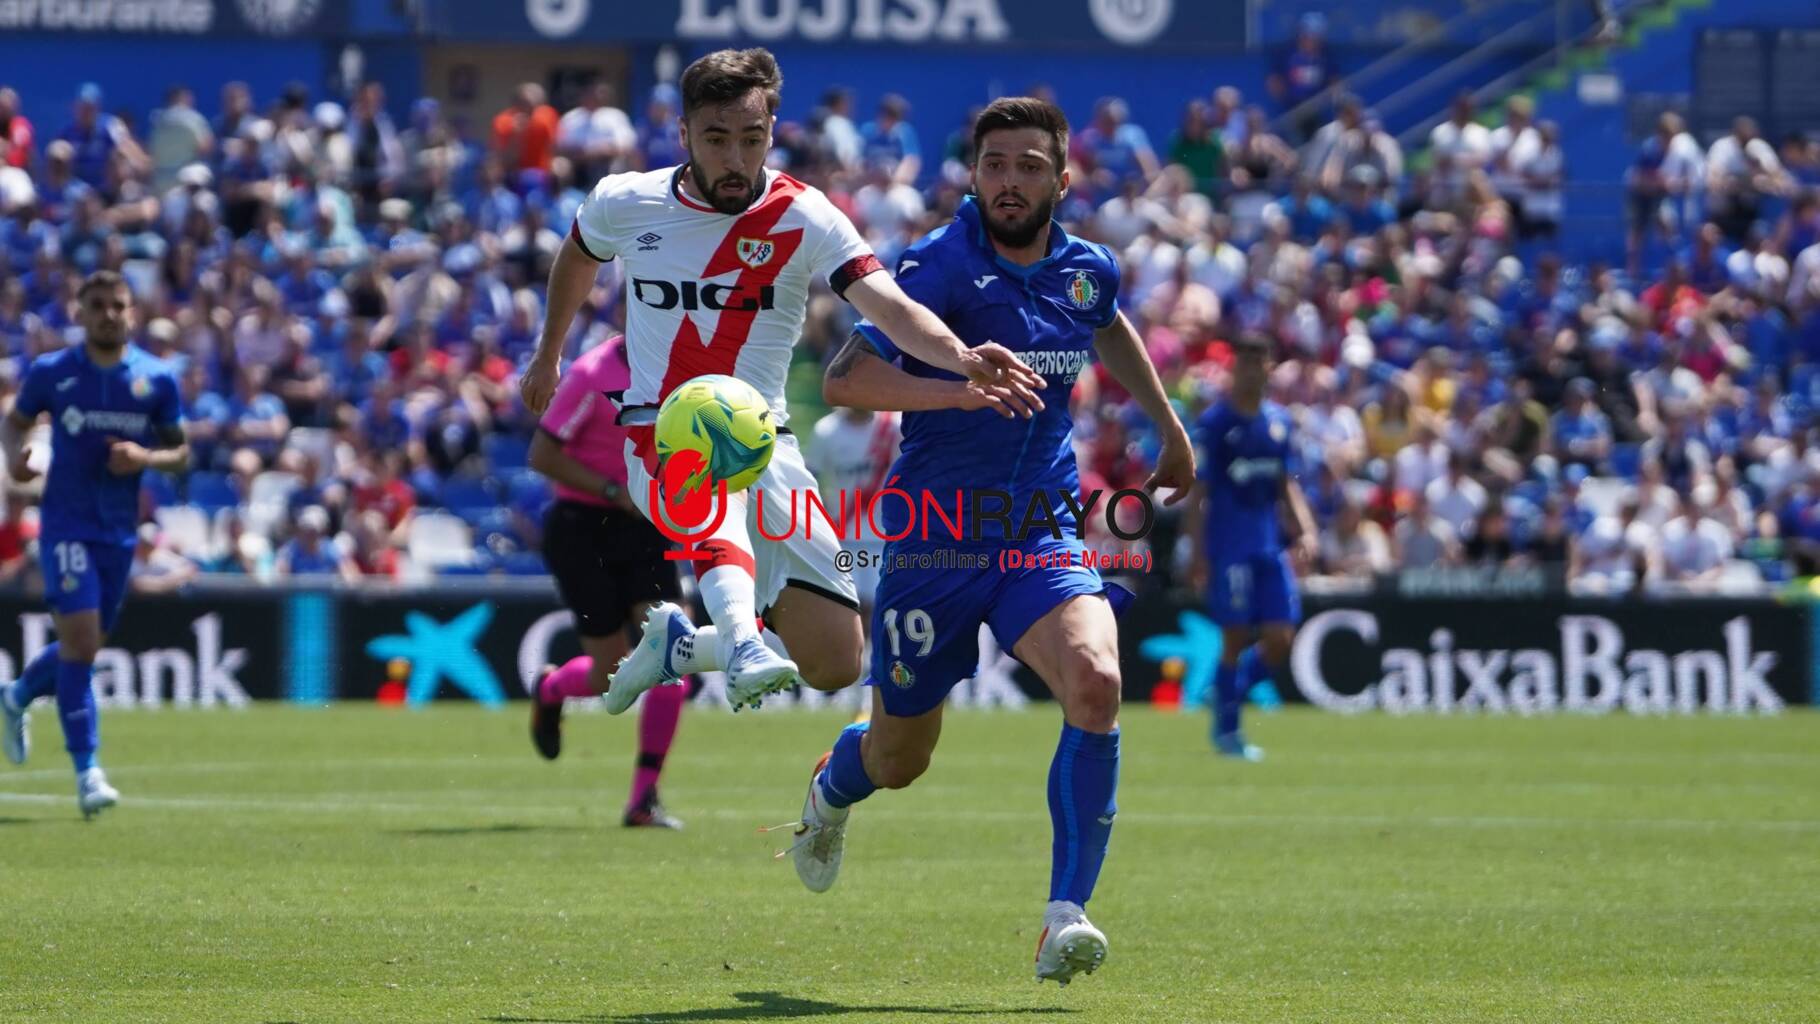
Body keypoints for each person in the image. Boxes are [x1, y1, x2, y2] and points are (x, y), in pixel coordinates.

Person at [784, 97, 1196, 986]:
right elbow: (848, 379)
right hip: (934, 543)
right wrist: (959, 389)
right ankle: (830, 788)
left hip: (1038, 530)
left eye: (1028, 166)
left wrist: (1167, 422)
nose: (1010, 182)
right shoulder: (936, 267)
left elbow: (1104, 318)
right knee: (901, 760)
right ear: (974, 174)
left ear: (1061, 177)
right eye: (995, 164)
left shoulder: (1086, 269)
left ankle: (1064, 918)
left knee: (1097, 683)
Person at [518, 48, 1039, 715]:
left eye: (751, 138)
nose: (736, 158)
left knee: (834, 661)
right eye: (716, 139)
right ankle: (740, 642)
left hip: (771, 444)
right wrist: (548, 352)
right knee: (710, 469)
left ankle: (683, 646)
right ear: (683, 135)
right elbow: (578, 254)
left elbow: (887, 305)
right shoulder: (628, 201)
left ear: (772, 132)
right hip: (660, 427)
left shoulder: (806, 215)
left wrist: (962, 356)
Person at [0, 270, 188, 817]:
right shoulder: (53, 373)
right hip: (65, 523)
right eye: (98, 305)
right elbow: (13, 424)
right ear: (79, 312)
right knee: (81, 643)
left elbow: (181, 452)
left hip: (119, 532)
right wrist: (16, 458)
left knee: (84, 646)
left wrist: (145, 458)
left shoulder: (156, 379)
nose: (108, 313)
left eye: (118, 305)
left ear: (131, 313)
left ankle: (14, 697)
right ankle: (88, 773)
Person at [526, 334, 687, 829]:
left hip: (645, 527)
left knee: (675, 651)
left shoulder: (683, 369)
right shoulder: (592, 376)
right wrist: (614, 490)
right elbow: (542, 455)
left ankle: (643, 798)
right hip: (582, 529)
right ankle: (551, 689)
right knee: (612, 674)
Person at [1186, 335, 1317, 762]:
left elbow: (1285, 485)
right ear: (1234, 369)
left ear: (1270, 368)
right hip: (1230, 546)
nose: (1251, 370)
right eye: (1243, 363)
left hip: (1268, 545)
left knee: (1281, 638)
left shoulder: (1278, 422)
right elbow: (1198, 492)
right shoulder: (1217, 423)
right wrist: (1198, 551)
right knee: (1236, 635)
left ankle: (1226, 691)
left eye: (1259, 362)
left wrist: (1306, 530)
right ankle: (1228, 733)